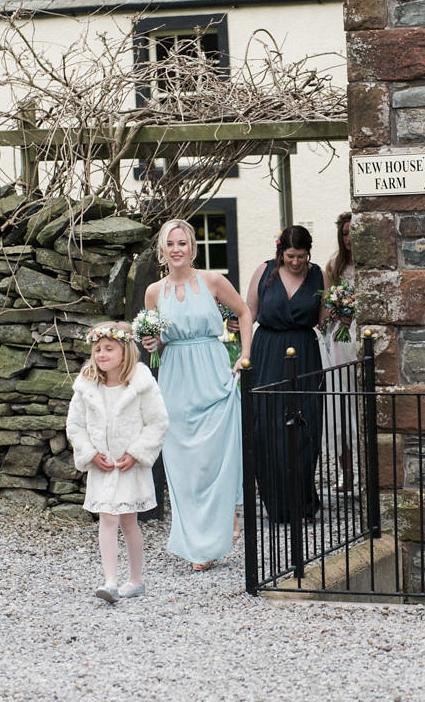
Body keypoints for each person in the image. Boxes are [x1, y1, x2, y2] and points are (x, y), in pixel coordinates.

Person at [141, 219, 253, 571]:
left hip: (211, 371)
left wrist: (245, 357)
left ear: (193, 247)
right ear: (162, 251)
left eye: (183, 243)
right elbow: (155, 338)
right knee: (182, 462)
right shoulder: (153, 292)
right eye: (170, 244)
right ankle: (196, 544)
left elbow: (245, 312)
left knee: (214, 455)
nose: (177, 250)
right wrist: (152, 342)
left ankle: (221, 524)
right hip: (175, 377)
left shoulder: (213, 281)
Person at [66, 322, 169, 603]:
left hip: (128, 466)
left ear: (124, 351)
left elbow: (157, 422)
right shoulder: (87, 385)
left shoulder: (141, 383)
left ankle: (135, 579)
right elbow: (75, 425)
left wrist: (136, 453)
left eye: (109, 349)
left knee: (129, 521)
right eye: (97, 349)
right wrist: (89, 453)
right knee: (107, 518)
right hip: (103, 466)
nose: (101, 354)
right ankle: (110, 581)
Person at [246, 224, 327, 524]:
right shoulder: (264, 272)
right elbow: (248, 313)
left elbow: (324, 320)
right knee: (267, 428)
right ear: (281, 251)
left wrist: (342, 314)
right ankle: (277, 504)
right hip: (268, 351)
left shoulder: (319, 275)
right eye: (291, 256)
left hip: (305, 353)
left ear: (309, 253)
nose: (296, 262)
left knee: (305, 428)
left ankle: (302, 501)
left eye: (301, 256)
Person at [318, 211, 357, 492]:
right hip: (341, 339)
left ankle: (368, 473)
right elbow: (326, 309)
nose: (349, 238)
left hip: (362, 336)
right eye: (345, 233)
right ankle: (347, 472)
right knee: (340, 405)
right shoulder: (333, 266)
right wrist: (339, 315)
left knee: (360, 403)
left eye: (353, 232)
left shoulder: (374, 264)